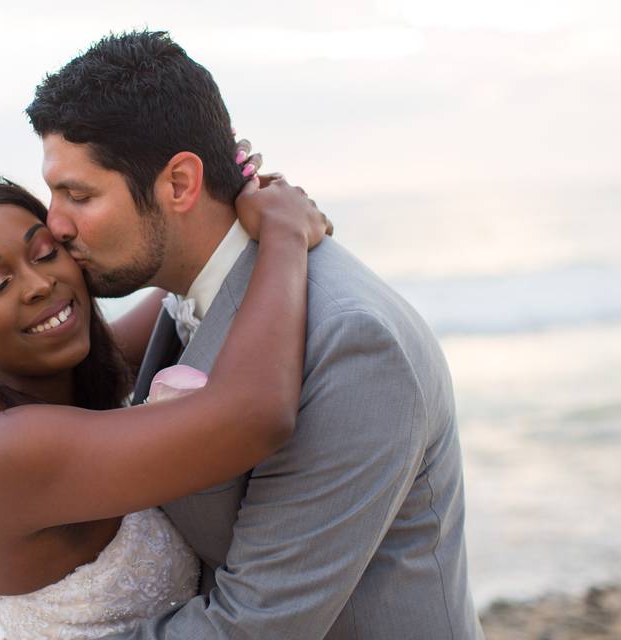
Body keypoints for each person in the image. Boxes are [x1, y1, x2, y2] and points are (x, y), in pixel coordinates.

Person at [26, 30, 485, 639]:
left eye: (78, 195)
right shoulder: (190, 291)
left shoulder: (352, 344)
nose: (54, 226)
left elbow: (253, 627)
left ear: (182, 185)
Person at [0, 164, 328, 638]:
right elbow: (255, 416)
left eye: (44, 252)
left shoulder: (73, 372)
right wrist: (285, 236)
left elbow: (189, 273)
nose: (38, 284)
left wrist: (228, 182)